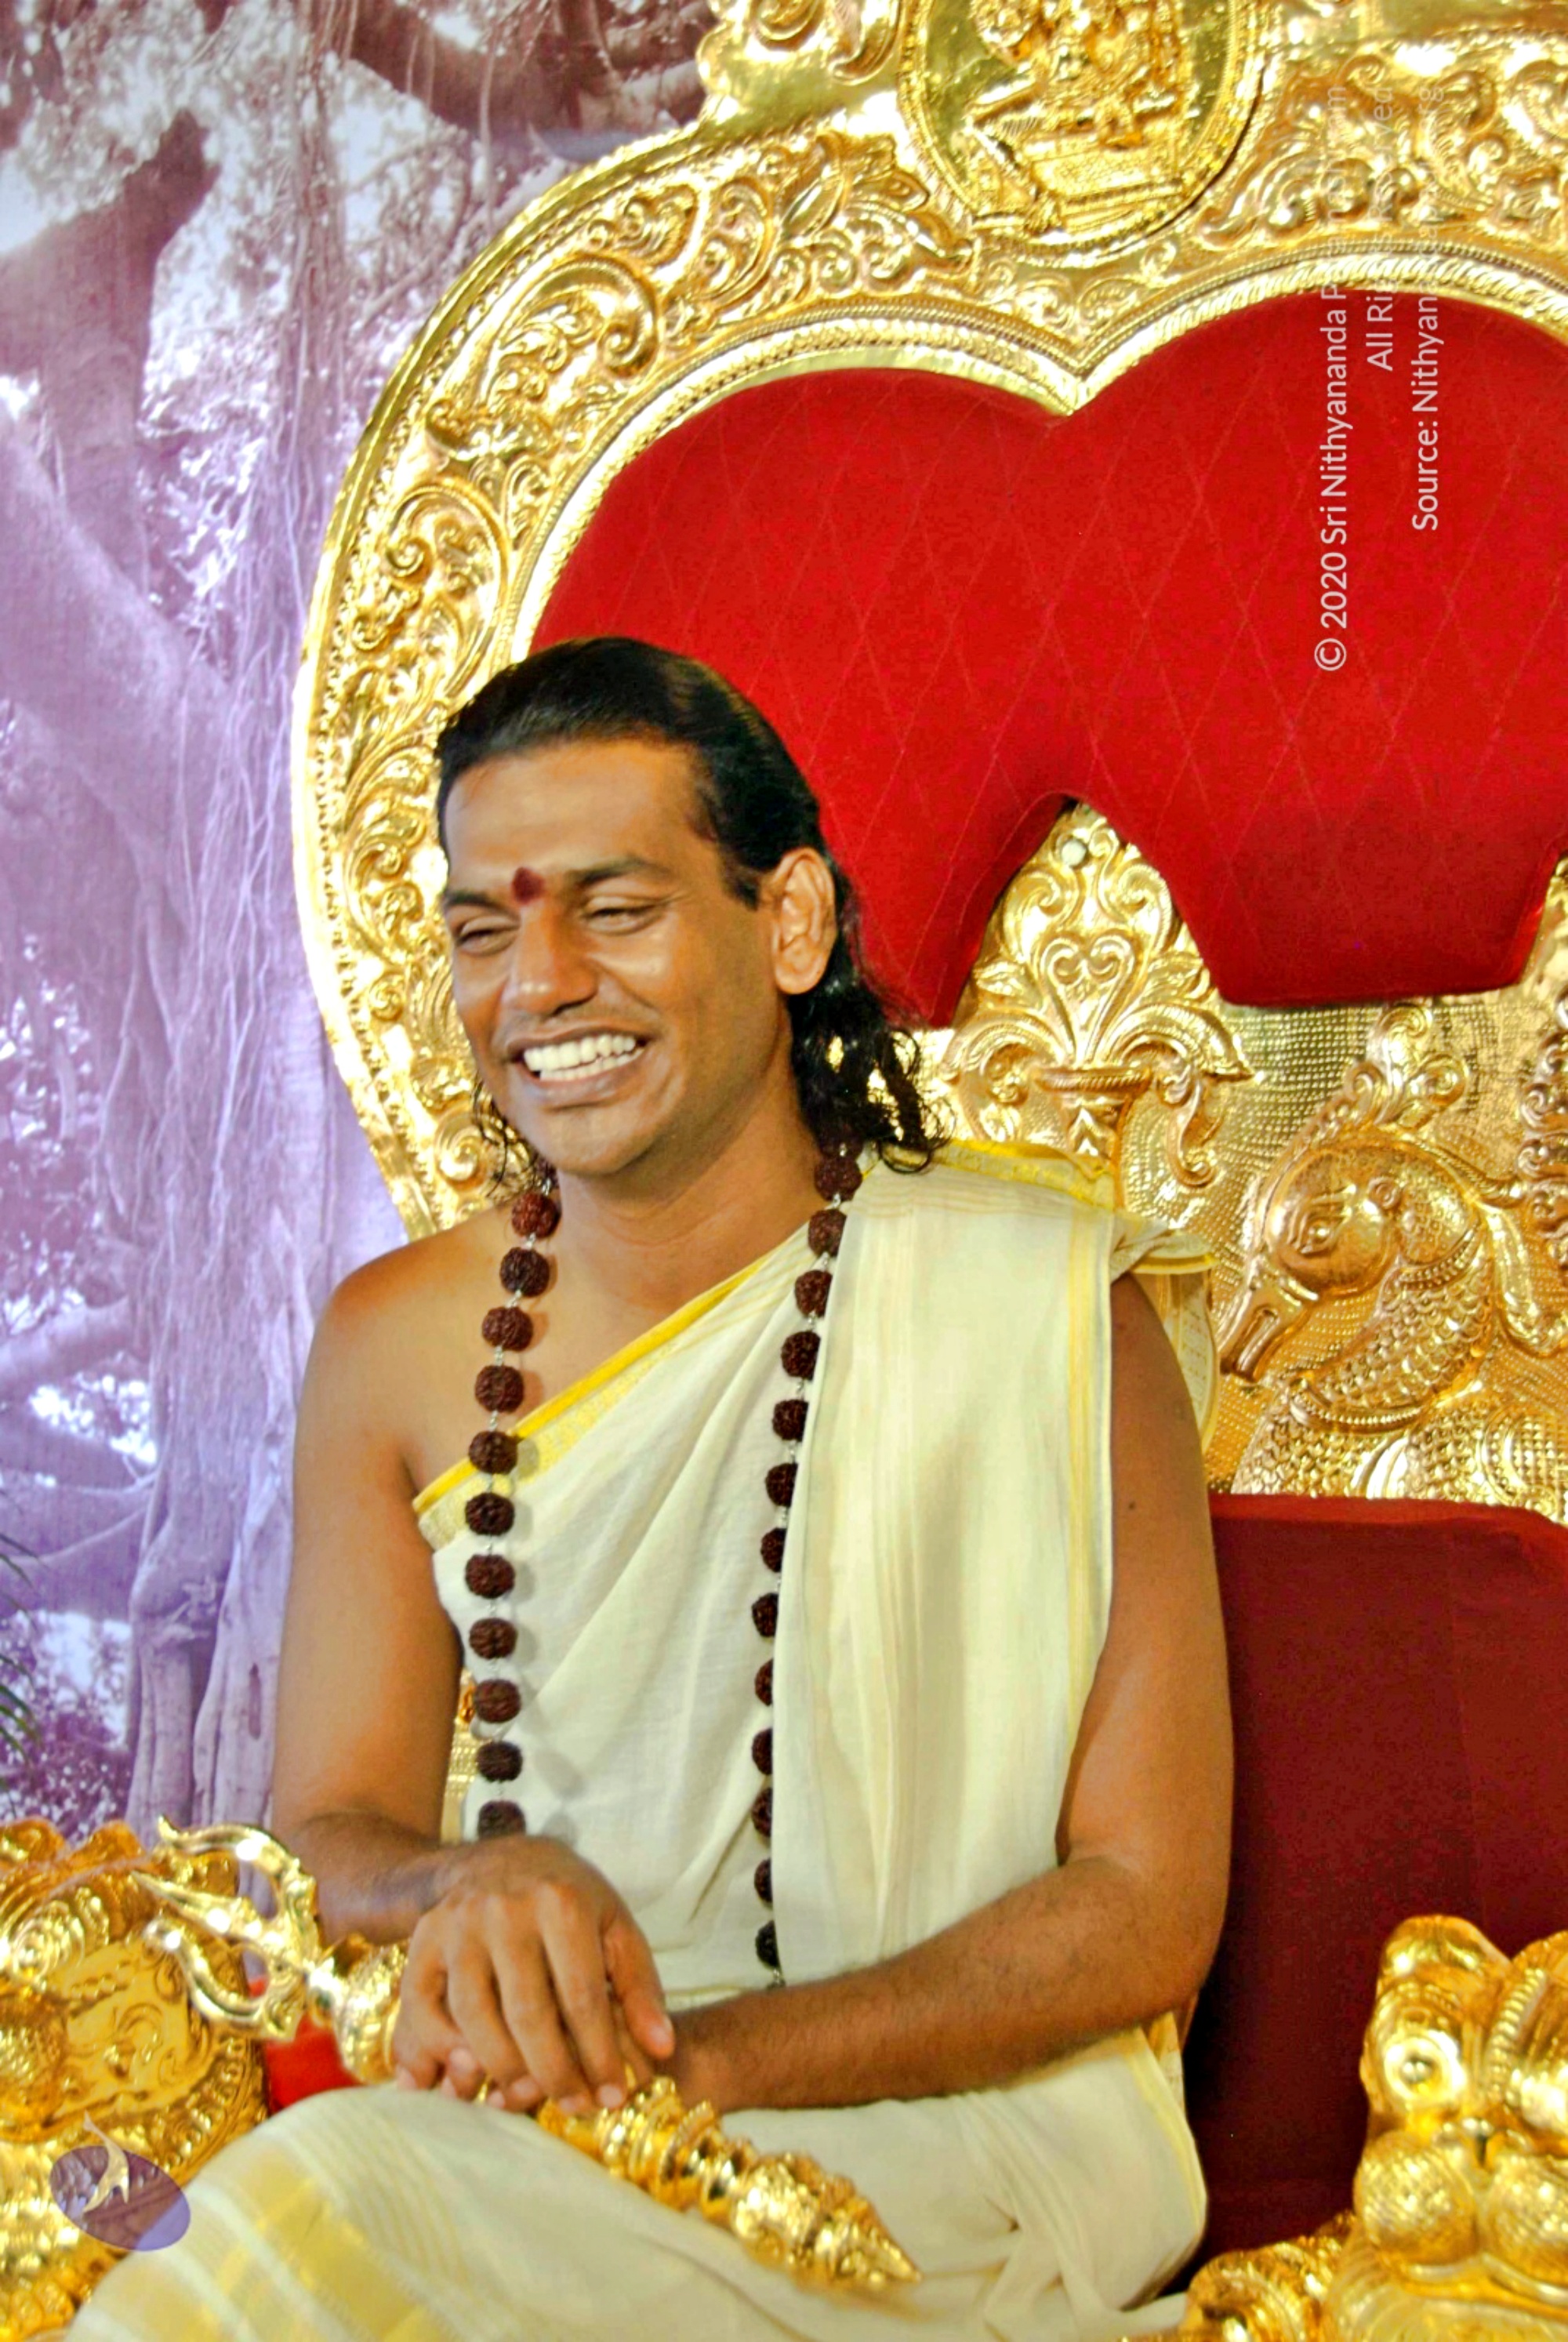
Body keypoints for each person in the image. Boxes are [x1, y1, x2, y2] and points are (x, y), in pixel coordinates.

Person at [73, 637, 1232, 2341]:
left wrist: (699, 2073)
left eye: (613, 910)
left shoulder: (1044, 1308)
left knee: (323, 2207)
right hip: (531, 2115)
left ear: (791, 924)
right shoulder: (395, 1347)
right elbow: (327, 1833)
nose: (537, 985)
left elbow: (1142, 1909)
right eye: (483, 929)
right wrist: (463, 1887)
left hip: (959, 2145)